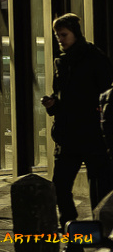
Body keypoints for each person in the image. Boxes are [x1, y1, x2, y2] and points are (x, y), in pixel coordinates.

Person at [44, 13, 113, 225]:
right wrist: (53, 104)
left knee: (99, 186)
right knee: (60, 185)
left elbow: (106, 93)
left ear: (75, 33)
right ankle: (70, 224)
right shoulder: (61, 62)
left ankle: (101, 228)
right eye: (57, 36)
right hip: (67, 133)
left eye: (64, 35)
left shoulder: (95, 58)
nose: (60, 40)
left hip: (92, 133)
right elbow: (62, 96)